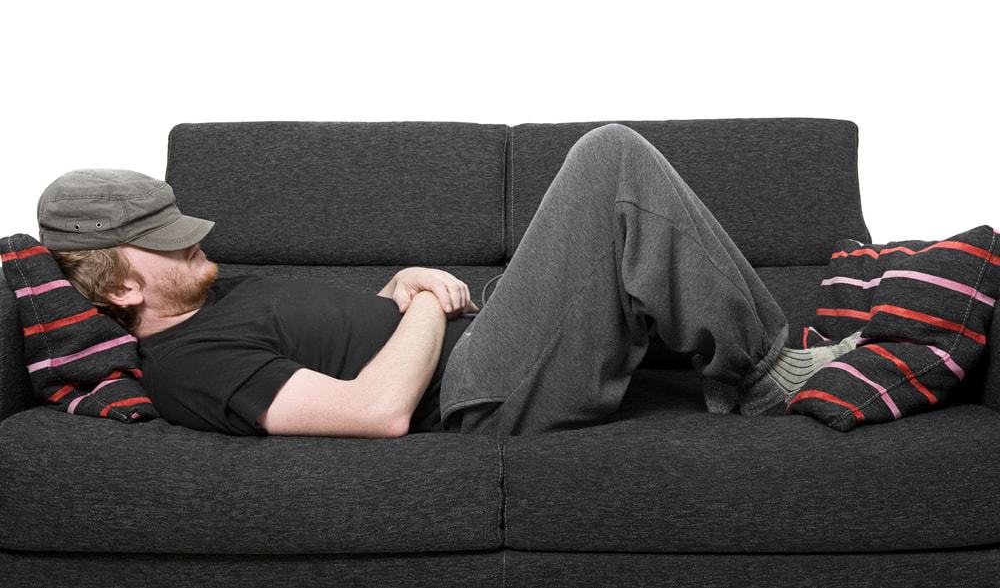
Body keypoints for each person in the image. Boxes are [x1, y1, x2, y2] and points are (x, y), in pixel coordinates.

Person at [37, 124, 860, 438]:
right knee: (608, 159)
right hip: (473, 393)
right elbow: (378, 410)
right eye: (163, 247)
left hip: (487, 338)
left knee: (615, 191)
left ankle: (738, 362)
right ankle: (759, 375)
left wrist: (397, 283)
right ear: (118, 289)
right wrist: (427, 298)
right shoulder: (188, 364)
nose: (191, 247)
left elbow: (342, 333)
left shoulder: (220, 292)